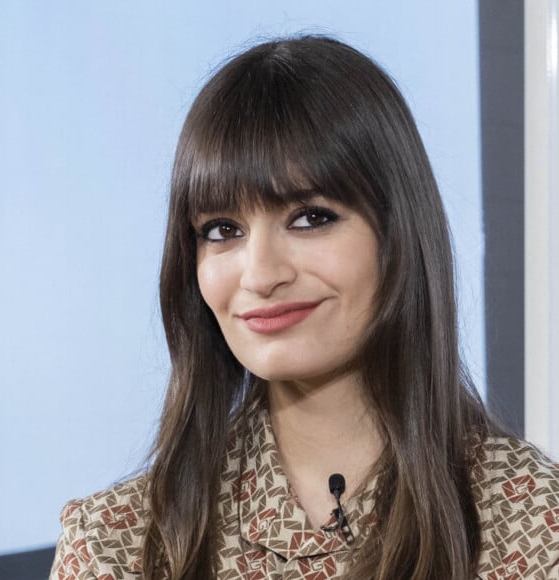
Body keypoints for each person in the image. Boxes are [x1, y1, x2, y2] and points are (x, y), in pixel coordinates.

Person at [50, 35, 559, 580]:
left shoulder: (531, 522)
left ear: (398, 234)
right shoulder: (116, 542)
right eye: (223, 230)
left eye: (310, 217)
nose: (262, 274)